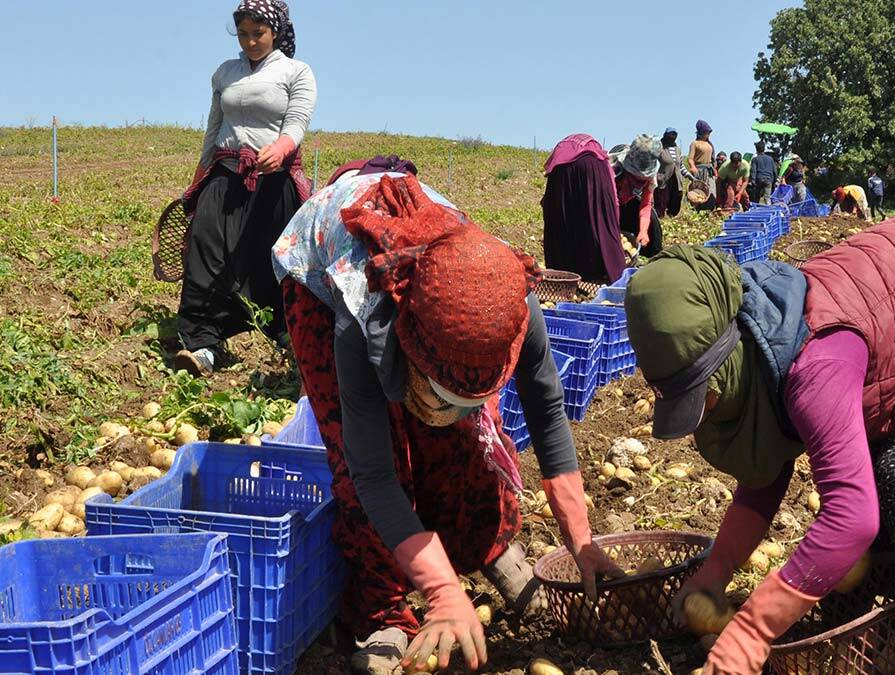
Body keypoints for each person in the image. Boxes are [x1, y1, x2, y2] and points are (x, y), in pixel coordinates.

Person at [623, 211, 895, 674]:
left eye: (705, 395)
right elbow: (765, 468)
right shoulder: (758, 340)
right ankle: (885, 616)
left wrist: (754, 628)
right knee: (871, 476)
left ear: (726, 357)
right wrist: (717, 570)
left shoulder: (814, 364)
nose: (704, 413)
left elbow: (852, 521)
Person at [273, 172, 623, 674]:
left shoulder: (510, 299)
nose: (451, 406)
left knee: (473, 438)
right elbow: (371, 473)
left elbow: (547, 411)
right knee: (370, 455)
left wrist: (580, 537)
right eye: (442, 392)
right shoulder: (362, 313)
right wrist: (440, 590)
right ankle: (383, 607)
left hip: (447, 287)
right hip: (322, 275)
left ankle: (487, 547)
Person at [174, 0, 316, 376]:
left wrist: (281, 148)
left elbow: (297, 122)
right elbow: (213, 127)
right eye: (243, 34)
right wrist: (198, 178)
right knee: (205, 252)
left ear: (276, 31)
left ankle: (289, 338)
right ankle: (202, 344)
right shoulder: (225, 73)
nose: (251, 42)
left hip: (273, 181)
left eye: (258, 33)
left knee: (272, 261)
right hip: (225, 175)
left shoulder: (296, 72)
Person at [540, 134, 626, 284]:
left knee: (562, 220)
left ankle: (563, 277)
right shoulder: (601, 160)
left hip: (561, 169)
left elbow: (548, 206)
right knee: (600, 220)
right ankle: (615, 276)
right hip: (591, 167)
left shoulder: (564, 149)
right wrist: (614, 228)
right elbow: (612, 202)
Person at [611, 134, 664, 257]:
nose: (640, 181)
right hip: (608, 205)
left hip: (628, 203)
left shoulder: (650, 177)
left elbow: (645, 205)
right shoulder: (613, 170)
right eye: (636, 176)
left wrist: (643, 231)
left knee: (653, 223)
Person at [654, 128, 686, 218]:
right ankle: (660, 218)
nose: (672, 137)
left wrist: (691, 177)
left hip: (676, 180)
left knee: (675, 201)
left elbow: (681, 166)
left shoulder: (677, 150)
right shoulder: (660, 149)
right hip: (664, 179)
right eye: (670, 135)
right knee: (662, 200)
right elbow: (652, 161)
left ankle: (671, 217)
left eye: (674, 135)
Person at [687, 120, 716, 200]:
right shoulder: (695, 143)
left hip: (709, 171)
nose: (708, 135)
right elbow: (690, 158)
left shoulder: (709, 144)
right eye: (707, 133)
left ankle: (710, 205)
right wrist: (692, 166)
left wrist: (714, 169)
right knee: (698, 192)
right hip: (699, 170)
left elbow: (713, 159)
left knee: (710, 192)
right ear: (701, 133)